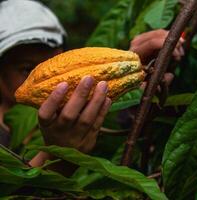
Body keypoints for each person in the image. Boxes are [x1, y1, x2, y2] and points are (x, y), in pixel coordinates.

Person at [0, 0, 184, 170]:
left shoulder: (94, 117)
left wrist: (136, 72)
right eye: (27, 69)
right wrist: (60, 157)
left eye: (54, 62)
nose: (57, 78)